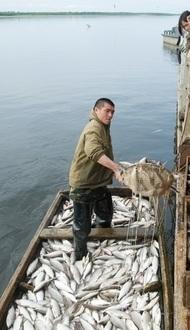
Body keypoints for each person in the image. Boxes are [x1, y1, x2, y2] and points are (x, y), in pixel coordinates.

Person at [68, 98, 123, 260]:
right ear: (96, 110)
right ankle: (80, 253)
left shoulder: (103, 126)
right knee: (81, 223)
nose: (111, 115)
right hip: (83, 184)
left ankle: (102, 235)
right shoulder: (93, 128)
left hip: (97, 182)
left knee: (105, 211)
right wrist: (115, 168)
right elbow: (93, 151)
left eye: (113, 112)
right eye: (107, 111)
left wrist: (112, 168)